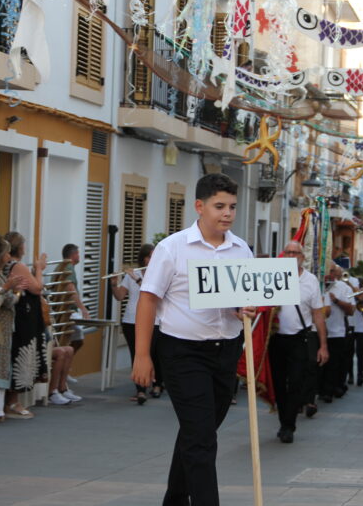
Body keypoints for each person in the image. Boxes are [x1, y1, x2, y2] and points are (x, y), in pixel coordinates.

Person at [131, 173, 255, 506]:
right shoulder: (172, 248)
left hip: (226, 350)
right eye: (219, 206)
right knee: (201, 440)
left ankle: (174, 500)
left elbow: (241, 301)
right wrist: (142, 356)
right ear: (200, 207)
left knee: (197, 433)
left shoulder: (242, 250)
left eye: (231, 206)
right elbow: (148, 299)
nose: (227, 213)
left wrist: (245, 308)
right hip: (182, 352)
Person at [269, 240, 329, 443]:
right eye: (288, 252)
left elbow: (318, 314)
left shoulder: (310, 280)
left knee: (296, 382)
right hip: (276, 339)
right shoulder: (272, 276)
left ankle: (289, 425)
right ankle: (283, 420)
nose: (292, 256)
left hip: (300, 338)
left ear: (302, 257)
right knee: (278, 382)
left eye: (296, 253)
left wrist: (323, 345)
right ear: (283, 255)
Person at [111, 243, 164, 404]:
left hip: (153, 320)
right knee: (136, 354)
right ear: (143, 258)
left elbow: (153, 294)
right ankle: (140, 390)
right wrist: (114, 284)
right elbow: (120, 296)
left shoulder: (158, 275)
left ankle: (157, 384)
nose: (151, 260)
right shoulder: (131, 274)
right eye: (149, 256)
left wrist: (138, 279)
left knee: (154, 354)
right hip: (130, 320)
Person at [3, 232, 48, 419]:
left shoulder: (6, 265)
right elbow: (37, 288)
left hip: (22, 313)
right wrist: (39, 269)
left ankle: (11, 400)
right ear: (19, 247)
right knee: (22, 352)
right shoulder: (17, 265)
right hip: (24, 315)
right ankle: (12, 401)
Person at [0, 236, 26, 422]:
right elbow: (7, 300)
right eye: (6, 253)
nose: (8, 256)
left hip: (3, 325)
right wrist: (15, 290)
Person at [319, 262, 354, 402]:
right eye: (328, 271)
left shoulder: (344, 288)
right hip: (318, 331)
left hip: (336, 331)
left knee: (333, 364)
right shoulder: (318, 285)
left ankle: (329, 390)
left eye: (332, 271)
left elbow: (351, 310)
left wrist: (337, 301)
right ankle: (319, 389)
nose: (330, 274)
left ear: (337, 273)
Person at [60, 243, 91, 356]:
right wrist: (83, 309)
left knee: (75, 341)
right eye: (78, 253)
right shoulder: (68, 267)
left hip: (65, 311)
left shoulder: (64, 266)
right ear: (73, 255)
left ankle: (65, 368)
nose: (79, 256)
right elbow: (70, 288)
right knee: (76, 341)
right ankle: (64, 368)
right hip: (68, 311)